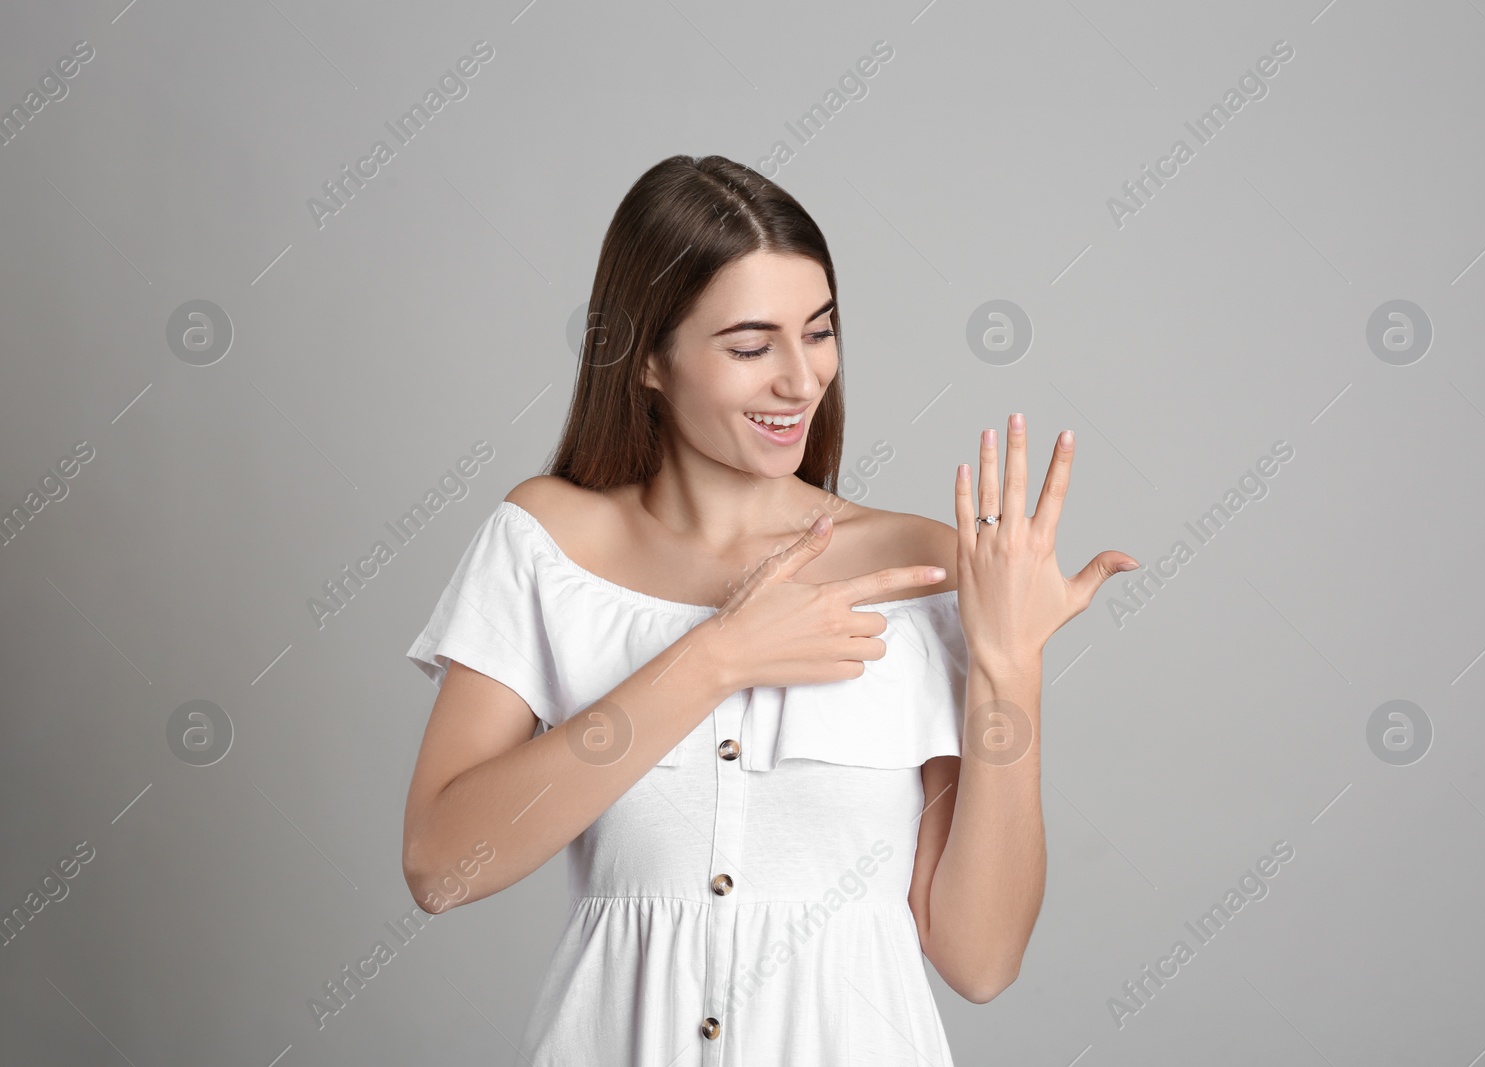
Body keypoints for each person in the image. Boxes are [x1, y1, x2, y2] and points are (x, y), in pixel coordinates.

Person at [400, 154, 1136, 1065]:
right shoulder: (547, 544)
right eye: (751, 346)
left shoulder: (925, 570)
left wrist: (1009, 671)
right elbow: (441, 865)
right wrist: (719, 655)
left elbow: (980, 959)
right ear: (648, 361)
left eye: (819, 332)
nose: (800, 379)